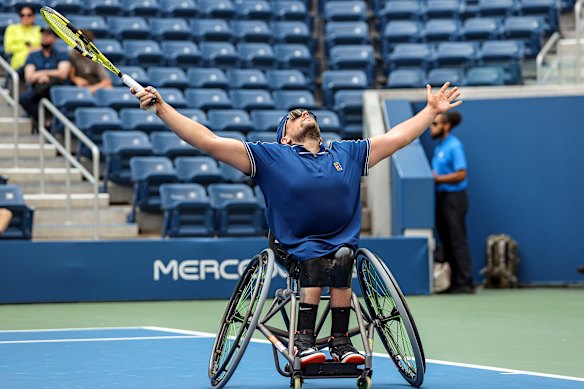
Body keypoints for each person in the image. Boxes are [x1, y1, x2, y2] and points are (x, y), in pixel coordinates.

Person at [133, 82, 462, 365]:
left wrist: (431, 111)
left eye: (306, 111)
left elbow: (398, 138)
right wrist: (162, 108)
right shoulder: (271, 156)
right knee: (317, 259)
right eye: (293, 116)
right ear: (285, 137)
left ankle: (340, 341)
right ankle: (303, 342)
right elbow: (208, 141)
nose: (302, 113)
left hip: (340, 244)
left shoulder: (346, 153)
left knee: (344, 256)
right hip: (293, 247)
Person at [430, 111, 474, 294]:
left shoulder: (454, 146)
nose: (431, 128)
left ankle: (465, 282)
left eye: (435, 124)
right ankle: (453, 281)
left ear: (446, 126)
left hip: (455, 198)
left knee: (457, 240)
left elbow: (461, 173)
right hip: (442, 198)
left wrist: (438, 179)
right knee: (447, 240)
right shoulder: (440, 146)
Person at [19, 27, 70, 129]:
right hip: (39, 86)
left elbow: (63, 73)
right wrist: (40, 77)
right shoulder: (33, 55)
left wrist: (43, 73)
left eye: (48, 35)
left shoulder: (61, 54)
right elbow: (29, 76)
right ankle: (45, 121)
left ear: (54, 39)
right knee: (24, 98)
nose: (44, 38)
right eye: (43, 35)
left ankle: (50, 123)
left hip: (56, 88)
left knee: (53, 86)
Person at [68, 30, 112, 94]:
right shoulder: (72, 55)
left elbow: (107, 80)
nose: (78, 44)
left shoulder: (96, 57)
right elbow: (71, 75)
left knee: (109, 88)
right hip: (79, 86)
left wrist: (92, 88)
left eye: (81, 42)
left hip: (94, 85)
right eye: (77, 41)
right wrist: (75, 79)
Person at [3, 6, 41, 71]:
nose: (25, 17)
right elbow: (8, 48)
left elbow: (44, 46)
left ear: (34, 16)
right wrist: (29, 48)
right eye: (22, 15)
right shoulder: (12, 29)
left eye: (29, 15)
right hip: (20, 61)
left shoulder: (39, 30)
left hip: (38, 62)